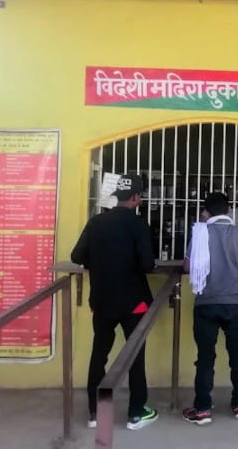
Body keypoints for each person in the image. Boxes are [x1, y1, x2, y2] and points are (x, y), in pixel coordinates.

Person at [70, 174, 158, 431]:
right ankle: (136, 413)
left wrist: (99, 260)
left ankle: (96, 412)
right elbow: (147, 264)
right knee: (135, 356)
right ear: (136, 197)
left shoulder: (96, 222)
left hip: (102, 301)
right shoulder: (138, 224)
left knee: (100, 354)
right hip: (134, 303)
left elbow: (76, 255)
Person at [183, 192, 238, 425]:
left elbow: (187, 267)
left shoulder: (199, 234)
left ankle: (203, 408)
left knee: (205, 358)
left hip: (206, 304)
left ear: (206, 211)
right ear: (229, 210)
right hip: (235, 304)